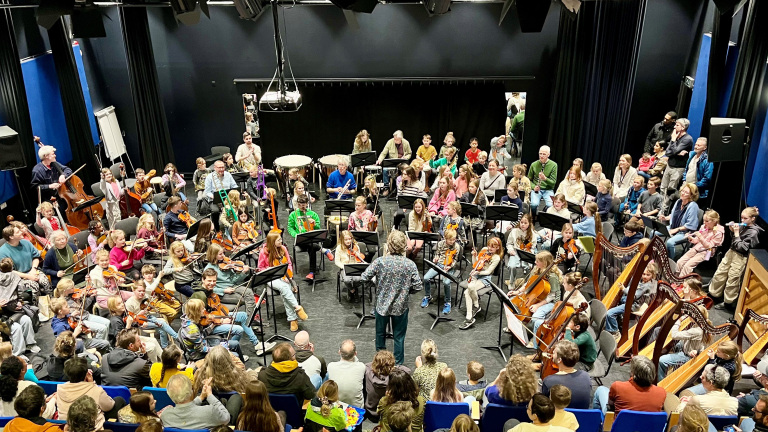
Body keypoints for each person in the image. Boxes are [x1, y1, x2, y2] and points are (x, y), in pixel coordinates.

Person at [361, 231, 421, 365]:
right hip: (401, 307)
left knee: (380, 335)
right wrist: (406, 291)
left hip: (382, 305)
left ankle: (381, 364)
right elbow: (418, 286)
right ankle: (398, 366)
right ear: (403, 246)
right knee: (399, 338)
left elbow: (364, 277)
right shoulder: (410, 264)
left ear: (389, 245)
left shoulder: (380, 261)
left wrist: (376, 286)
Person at [189, 268, 267, 354]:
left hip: (215, 316)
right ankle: (229, 349)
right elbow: (203, 319)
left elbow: (211, 309)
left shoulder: (207, 290)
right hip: (207, 327)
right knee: (239, 329)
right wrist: (221, 321)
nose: (212, 283)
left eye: (214, 281)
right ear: (203, 280)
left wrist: (221, 314)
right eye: (209, 280)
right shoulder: (200, 295)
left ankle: (256, 344)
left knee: (243, 316)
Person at [709, 206, 762, 310]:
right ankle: (714, 295)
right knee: (720, 272)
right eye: (741, 218)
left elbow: (743, 248)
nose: (742, 220)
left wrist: (737, 233)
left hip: (740, 256)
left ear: (752, 218)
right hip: (731, 252)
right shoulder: (743, 226)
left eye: (745, 218)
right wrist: (732, 231)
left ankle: (728, 303)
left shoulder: (754, 232)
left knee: (733, 279)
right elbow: (735, 241)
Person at [258, 231, 308, 332]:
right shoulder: (263, 252)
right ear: (272, 242)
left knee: (286, 288)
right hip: (270, 277)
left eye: (281, 239)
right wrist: (270, 271)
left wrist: (289, 274)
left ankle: (292, 319)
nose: (281, 241)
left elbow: (289, 263)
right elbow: (260, 268)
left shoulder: (283, 248)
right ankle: (297, 307)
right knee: (285, 287)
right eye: (278, 240)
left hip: (284, 275)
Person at [56, 357, 124, 428]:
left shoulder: (60, 388)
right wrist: (92, 384)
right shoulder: (96, 390)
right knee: (119, 400)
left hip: (66, 425)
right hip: (89, 427)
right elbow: (109, 406)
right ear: (86, 374)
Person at [592, 355, 665, 414]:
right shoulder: (662, 392)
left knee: (601, 389)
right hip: (646, 428)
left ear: (633, 373)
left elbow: (610, 404)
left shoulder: (618, 386)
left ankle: (597, 423)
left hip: (618, 427)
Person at [460, 237, 504, 330]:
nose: (489, 248)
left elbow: (488, 271)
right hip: (476, 274)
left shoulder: (496, 258)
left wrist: (478, 273)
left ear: (498, 248)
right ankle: (473, 311)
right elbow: (475, 264)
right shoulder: (484, 250)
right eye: (489, 246)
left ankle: (472, 312)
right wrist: (474, 256)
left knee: (467, 291)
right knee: (468, 290)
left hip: (485, 278)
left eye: (493, 247)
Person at [0, 259, 41, 356]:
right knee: (16, 327)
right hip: (1, 314)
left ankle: (30, 344)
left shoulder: (15, 277)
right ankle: (18, 353)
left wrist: (20, 302)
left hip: (13, 311)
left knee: (26, 320)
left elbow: (21, 294)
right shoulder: (15, 277)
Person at [288, 195, 334, 280]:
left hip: (312, 239)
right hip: (300, 240)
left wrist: (315, 224)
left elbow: (318, 228)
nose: (302, 206)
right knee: (311, 245)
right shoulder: (293, 214)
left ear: (307, 204)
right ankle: (323, 250)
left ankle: (312, 272)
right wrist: (296, 235)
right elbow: (290, 228)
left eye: (304, 204)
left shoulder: (313, 214)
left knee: (312, 247)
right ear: (298, 204)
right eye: (300, 204)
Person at [605, 264, 658, 337]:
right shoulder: (642, 281)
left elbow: (634, 295)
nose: (645, 276)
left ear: (653, 275)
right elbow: (632, 288)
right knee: (618, 299)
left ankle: (615, 331)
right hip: (629, 300)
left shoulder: (647, 286)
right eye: (643, 274)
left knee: (609, 313)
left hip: (634, 305)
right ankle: (619, 319)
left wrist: (624, 289)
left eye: (648, 275)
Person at [161, 374, 231, 429]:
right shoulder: (209, 412)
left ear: (169, 394)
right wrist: (210, 395)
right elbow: (226, 418)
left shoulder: (165, 416)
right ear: (191, 391)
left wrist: (201, 397)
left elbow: (186, 407)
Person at [125, 279, 178, 349]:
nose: (142, 293)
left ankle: (164, 347)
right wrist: (138, 314)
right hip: (140, 322)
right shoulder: (129, 303)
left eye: (143, 291)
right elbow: (131, 320)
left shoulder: (145, 297)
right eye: (139, 291)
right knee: (162, 323)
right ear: (133, 290)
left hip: (148, 317)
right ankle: (177, 337)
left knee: (162, 329)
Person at [0, 225, 50, 298]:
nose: (21, 232)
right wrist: (28, 276)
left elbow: (36, 257)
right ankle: (35, 308)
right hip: (18, 277)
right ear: (11, 237)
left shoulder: (26, 243)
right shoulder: (2, 252)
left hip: (33, 270)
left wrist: (33, 269)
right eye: (18, 232)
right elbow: (9, 271)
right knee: (33, 287)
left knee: (45, 282)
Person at [541, 341, 594, 409]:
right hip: (582, 418)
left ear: (559, 360)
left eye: (554, 353)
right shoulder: (586, 376)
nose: (552, 355)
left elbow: (544, 406)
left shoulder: (548, 381)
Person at [421, 228, 460, 314]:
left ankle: (448, 302)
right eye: (450, 240)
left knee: (446, 283)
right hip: (439, 265)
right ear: (445, 238)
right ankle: (428, 296)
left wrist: (450, 266)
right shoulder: (441, 244)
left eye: (454, 239)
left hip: (449, 267)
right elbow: (437, 254)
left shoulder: (456, 246)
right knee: (426, 278)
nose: (452, 241)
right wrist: (435, 258)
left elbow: (455, 260)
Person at [658, 182, 700, 260]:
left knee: (670, 243)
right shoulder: (678, 201)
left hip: (685, 232)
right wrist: (666, 218)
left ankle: (669, 262)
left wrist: (676, 230)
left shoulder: (693, 206)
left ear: (691, 195)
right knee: (654, 232)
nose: (683, 193)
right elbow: (674, 215)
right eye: (682, 191)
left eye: (686, 192)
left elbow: (691, 224)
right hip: (672, 227)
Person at [676, 210, 724, 276]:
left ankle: (682, 283)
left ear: (714, 221)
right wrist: (691, 238)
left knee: (687, 266)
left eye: (707, 221)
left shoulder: (718, 233)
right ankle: (675, 278)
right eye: (704, 220)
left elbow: (709, 246)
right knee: (680, 262)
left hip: (707, 251)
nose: (704, 223)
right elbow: (696, 241)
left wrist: (700, 237)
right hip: (698, 247)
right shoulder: (703, 227)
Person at [366, 350, 410, 421]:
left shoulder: (367, 372)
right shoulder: (395, 378)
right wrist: (394, 367)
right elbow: (407, 370)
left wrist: (377, 365)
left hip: (371, 412)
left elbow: (367, 365)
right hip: (390, 412)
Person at [661, 118, 694, 209]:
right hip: (669, 165)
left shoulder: (687, 139)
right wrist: (676, 152)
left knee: (670, 190)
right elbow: (668, 152)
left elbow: (674, 150)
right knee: (663, 188)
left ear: (683, 127)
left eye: (677, 125)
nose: (674, 127)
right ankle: (660, 208)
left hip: (678, 168)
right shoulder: (675, 136)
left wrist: (673, 140)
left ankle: (664, 210)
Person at [30, 145, 73, 210]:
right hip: (49, 200)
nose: (55, 155)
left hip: (62, 196)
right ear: (46, 156)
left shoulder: (55, 164)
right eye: (53, 154)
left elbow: (68, 170)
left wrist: (63, 175)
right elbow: (35, 187)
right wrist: (49, 186)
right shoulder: (37, 170)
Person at [327, 339, 366, 408]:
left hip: (336, 407)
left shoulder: (331, 366)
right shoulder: (361, 366)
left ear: (339, 352)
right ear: (355, 354)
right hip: (356, 410)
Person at [203, 160, 239, 230]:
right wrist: (213, 196)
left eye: (223, 167)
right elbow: (207, 191)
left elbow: (234, 186)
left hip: (228, 198)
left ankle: (235, 226)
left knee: (238, 207)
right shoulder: (209, 177)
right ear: (215, 168)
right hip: (215, 199)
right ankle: (217, 229)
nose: (221, 169)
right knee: (215, 211)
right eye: (219, 168)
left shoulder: (228, 175)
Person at [507, 393, 572, 432]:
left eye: (528, 408)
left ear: (535, 416)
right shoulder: (564, 430)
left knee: (511, 423)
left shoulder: (521, 428)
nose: (527, 410)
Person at [377, 130, 413, 195]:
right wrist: (379, 159)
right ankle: (386, 187)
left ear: (401, 138)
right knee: (385, 170)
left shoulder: (406, 143)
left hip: (402, 163)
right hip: (392, 162)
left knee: (407, 170)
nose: (395, 140)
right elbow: (384, 153)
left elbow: (409, 154)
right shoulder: (390, 142)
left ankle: (404, 186)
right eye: (394, 138)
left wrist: (406, 157)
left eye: (396, 139)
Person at [527, 146, 558, 215]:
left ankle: (543, 214)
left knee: (550, 205)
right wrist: (533, 186)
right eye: (540, 154)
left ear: (548, 155)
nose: (541, 156)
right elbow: (528, 180)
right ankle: (534, 217)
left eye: (544, 154)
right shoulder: (534, 164)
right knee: (533, 204)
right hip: (536, 189)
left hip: (548, 189)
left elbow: (553, 183)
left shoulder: (554, 165)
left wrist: (545, 179)